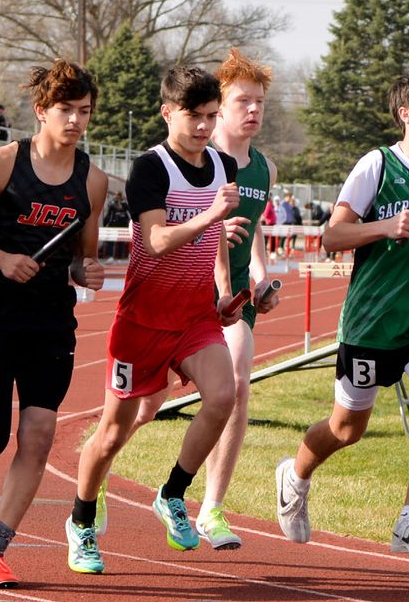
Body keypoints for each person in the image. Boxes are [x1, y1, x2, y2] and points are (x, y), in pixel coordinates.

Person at [275, 66, 409, 558]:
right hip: (371, 321)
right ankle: (295, 475)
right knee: (347, 430)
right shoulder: (376, 166)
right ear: (406, 114)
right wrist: (385, 226)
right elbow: (332, 236)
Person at [64, 65, 241, 574]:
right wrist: (211, 215)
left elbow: (218, 238)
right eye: (194, 117)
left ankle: (172, 493)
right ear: (167, 113)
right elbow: (159, 242)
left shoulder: (223, 165)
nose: (205, 127)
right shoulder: (151, 168)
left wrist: (225, 289)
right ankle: (80, 520)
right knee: (112, 434)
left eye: (212, 116)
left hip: (194, 315)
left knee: (223, 395)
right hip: (143, 320)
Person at [104, 48, 282, 551]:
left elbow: (251, 234)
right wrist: (221, 273)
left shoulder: (261, 168)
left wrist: (260, 282)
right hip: (174, 295)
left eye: (260, 102)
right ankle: (96, 479)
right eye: (242, 100)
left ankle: (209, 506)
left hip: (225, 301)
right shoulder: (187, 163)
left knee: (234, 387)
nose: (253, 110)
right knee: (142, 409)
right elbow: (190, 233)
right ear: (216, 107)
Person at [0, 59, 107, 588]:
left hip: (52, 319)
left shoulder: (93, 181)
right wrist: (2, 259)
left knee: (38, 433)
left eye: (84, 112)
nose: (76, 121)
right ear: (41, 111)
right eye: (66, 110)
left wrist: (89, 269)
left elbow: (82, 257)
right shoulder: (1, 165)